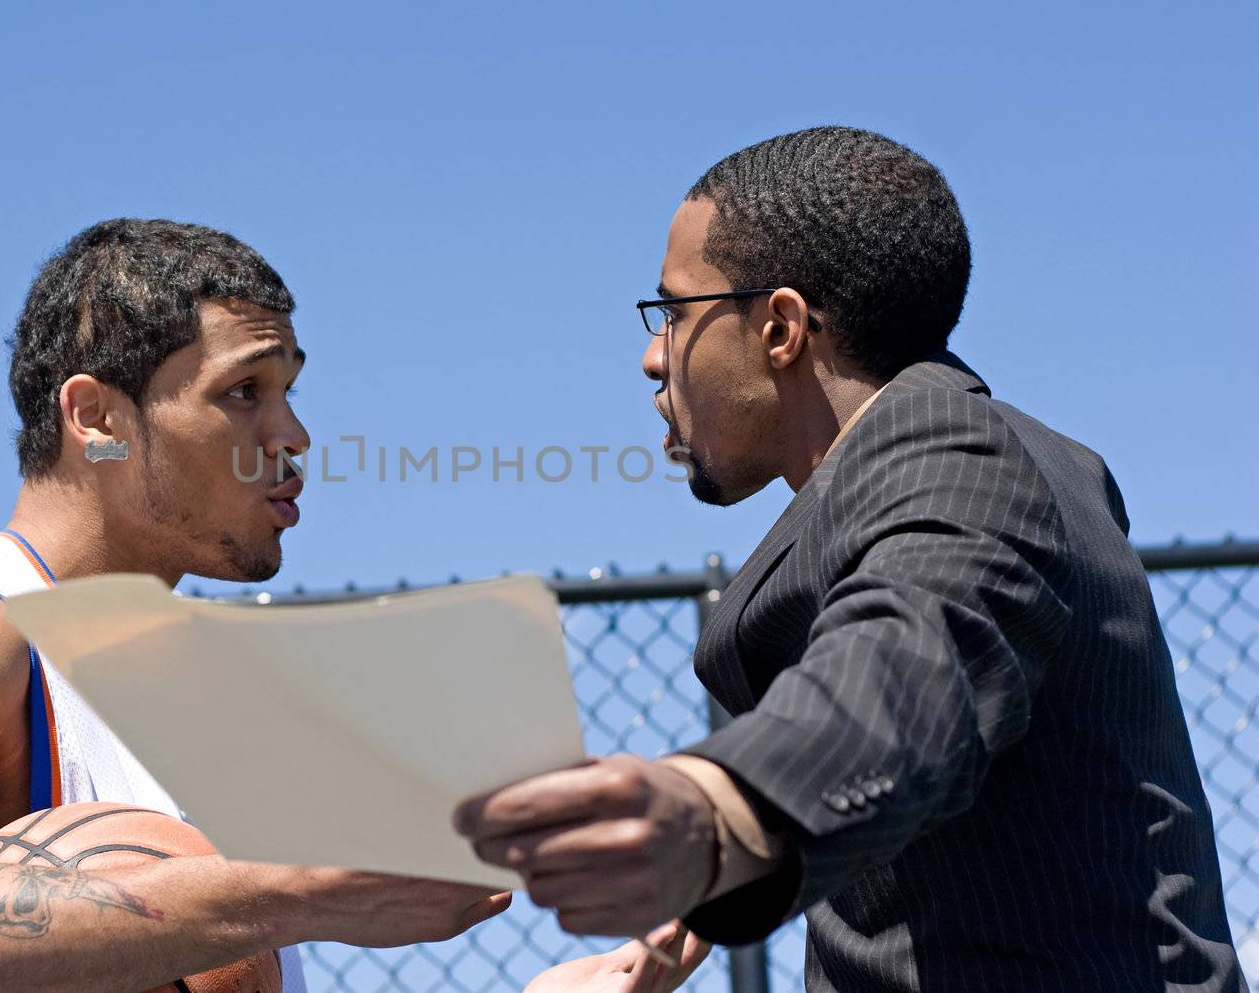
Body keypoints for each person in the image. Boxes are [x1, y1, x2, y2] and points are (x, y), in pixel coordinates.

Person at [0, 217, 706, 993]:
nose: (294, 435)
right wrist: (304, 889)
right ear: (96, 417)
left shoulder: (191, 696)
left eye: (290, 390)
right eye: (244, 392)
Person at [454, 126, 1247, 991]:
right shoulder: (983, 459)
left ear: (781, 327)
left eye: (676, 312)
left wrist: (721, 812)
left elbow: (908, 666)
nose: (655, 353)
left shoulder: (956, 454)